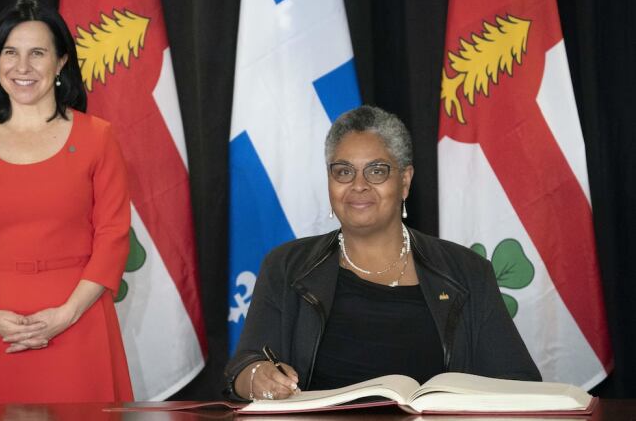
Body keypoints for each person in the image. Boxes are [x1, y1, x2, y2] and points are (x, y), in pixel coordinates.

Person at [224, 105, 541, 401]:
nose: (358, 185)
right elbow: (243, 365)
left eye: (376, 171)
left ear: (404, 181)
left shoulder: (468, 272)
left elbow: (517, 381)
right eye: (343, 172)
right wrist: (256, 376)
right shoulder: (286, 267)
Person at [0, 0, 132, 419]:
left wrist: (65, 314)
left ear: (60, 62)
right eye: (10, 52)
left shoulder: (98, 138)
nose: (22, 66)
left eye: (37, 52)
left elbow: (113, 237)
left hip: (78, 324)